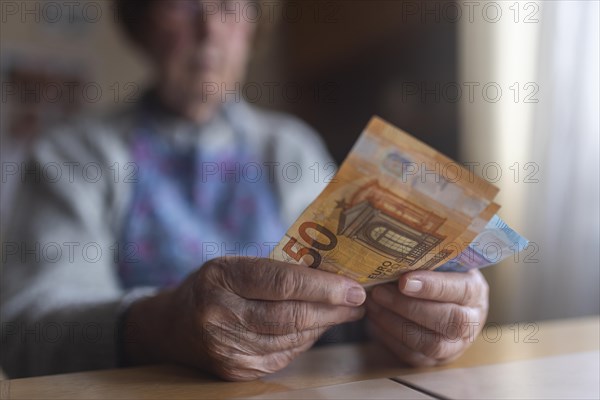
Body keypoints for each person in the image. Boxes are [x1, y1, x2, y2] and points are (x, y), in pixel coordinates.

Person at [0, 0, 489, 380]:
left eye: (232, 6)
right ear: (141, 23)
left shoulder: (289, 147)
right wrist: (166, 324)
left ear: (253, 26)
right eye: (183, 4)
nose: (210, 29)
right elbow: (26, 329)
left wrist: (429, 310)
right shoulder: (73, 155)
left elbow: (353, 295)